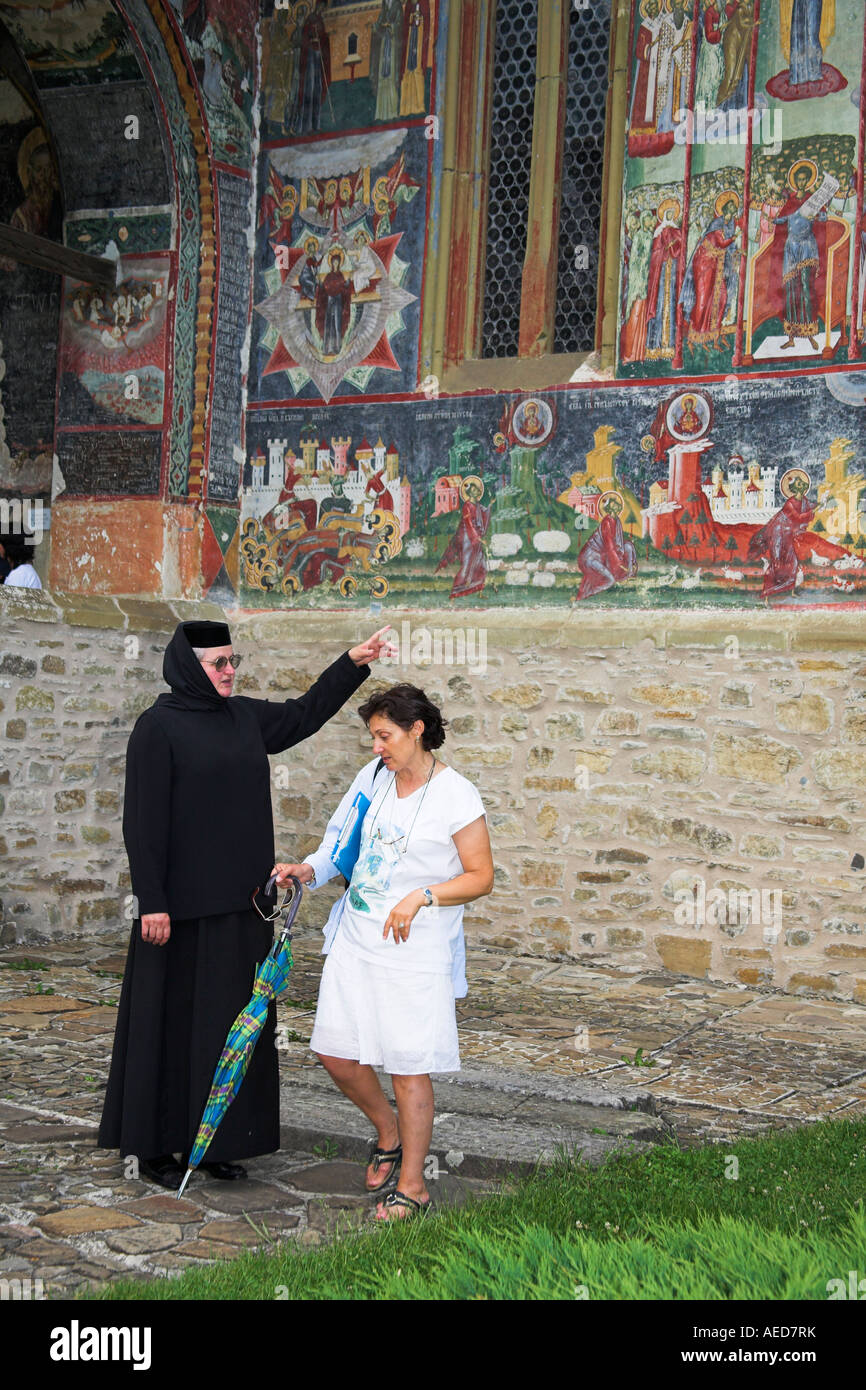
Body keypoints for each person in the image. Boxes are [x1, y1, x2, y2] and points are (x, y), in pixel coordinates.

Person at [98, 619, 395, 1189]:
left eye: (234, 661)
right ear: (191, 666)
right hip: (177, 915)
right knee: (172, 1027)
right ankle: (158, 1147)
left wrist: (353, 662)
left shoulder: (244, 718)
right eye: (219, 663)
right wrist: (152, 902)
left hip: (243, 908)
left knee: (230, 1028)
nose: (231, 671)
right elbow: (143, 822)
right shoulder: (156, 729)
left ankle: (215, 1143)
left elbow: (304, 713)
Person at [273, 683, 494, 1220]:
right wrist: (310, 869)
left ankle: (414, 1184)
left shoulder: (455, 794)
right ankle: (387, 1130)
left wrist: (423, 897)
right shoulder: (373, 777)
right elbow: (340, 843)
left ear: (417, 730)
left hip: (414, 951)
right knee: (335, 1051)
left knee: (407, 1066)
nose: (377, 747)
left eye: (384, 735)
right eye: (373, 736)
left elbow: (481, 877)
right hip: (356, 937)